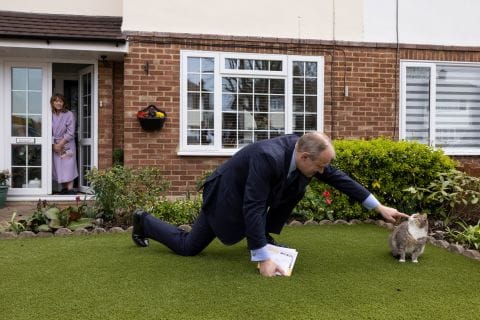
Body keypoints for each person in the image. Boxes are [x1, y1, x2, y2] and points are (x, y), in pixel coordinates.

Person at [132, 132, 408, 277]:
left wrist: (379, 207)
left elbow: (338, 178)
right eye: (320, 167)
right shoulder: (269, 157)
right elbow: (253, 205)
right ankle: (144, 222)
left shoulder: (308, 151)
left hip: (249, 194)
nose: (324, 171)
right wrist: (262, 258)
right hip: (226, 196)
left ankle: (263, 239)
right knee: (189, 247)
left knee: (268, 217)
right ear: (304, 158)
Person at [51, 93, 78, 195]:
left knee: (68, 165)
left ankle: (70, 189)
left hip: (67, 144)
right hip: (54, 144)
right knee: (58, 166)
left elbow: (71, 132)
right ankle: (64, 188)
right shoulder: (49, 114)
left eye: (60, 101)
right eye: (56, 101)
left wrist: (60, 145)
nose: (58, 103)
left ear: (63, 103)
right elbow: (46, 131)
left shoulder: (69, 114)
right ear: (52, 102)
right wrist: (53, 145)